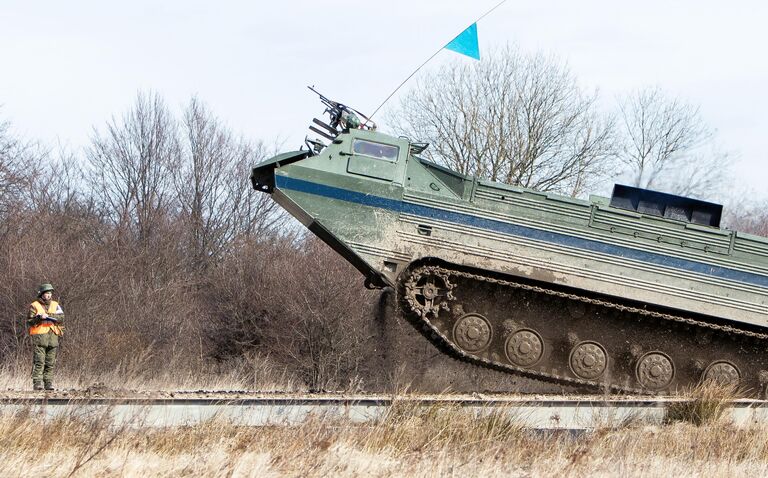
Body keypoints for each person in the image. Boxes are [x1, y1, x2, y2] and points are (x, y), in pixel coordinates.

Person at [27, 283, 64, 391]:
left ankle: (48, 383)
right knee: (39, 361)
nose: (49, 295)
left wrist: (49, 316)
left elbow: (61, 317)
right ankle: (37, 383)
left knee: (50, 362)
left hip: (52, 337)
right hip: (40, 337)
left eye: (50, 293)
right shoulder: (34, 305)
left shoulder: (55, 305)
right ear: (42, 294)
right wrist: (39, 318)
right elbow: (30, 321)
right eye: (47, 293)